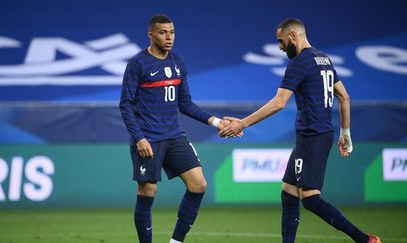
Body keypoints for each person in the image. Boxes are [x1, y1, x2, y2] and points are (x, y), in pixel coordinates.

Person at [220, 18, 381, 243]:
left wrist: (242, 123)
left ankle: (365, 240)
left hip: (313, 135)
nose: (280, 47)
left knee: (310, 198)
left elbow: (279, 103)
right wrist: (346, 133)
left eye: (281, 41)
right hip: (314, 134)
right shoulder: (323, 59)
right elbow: (344, 96)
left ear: (294, 36)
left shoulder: (300, 62)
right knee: (289, 191)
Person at [119, 14, 232, 243]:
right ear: (151, 34)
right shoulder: (138, 63)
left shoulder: (178, 62)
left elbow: (185, 104)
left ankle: (176, 241)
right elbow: (125, 104)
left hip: (174, 135)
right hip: (148, 138)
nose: (169, 37)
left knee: (198, 184)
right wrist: (139, 138)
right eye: (163, 32)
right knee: (148, 191)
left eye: (172, 32)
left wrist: (217, 122)